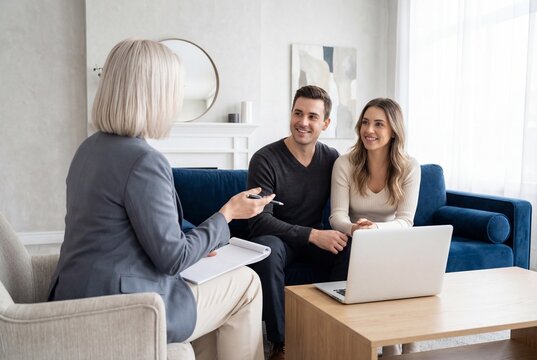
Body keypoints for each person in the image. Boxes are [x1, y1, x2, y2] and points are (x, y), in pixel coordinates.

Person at [47, 39, 273, 360]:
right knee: (247, 284)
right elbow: (174, 259)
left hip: (78, 296)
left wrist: (202, 243)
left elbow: (119, 233)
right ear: (154, 94)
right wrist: (229, 213)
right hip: (123, 308)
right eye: (173, 90)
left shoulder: (88, 149)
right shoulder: (143, 160)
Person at [247, 85, 349, 360]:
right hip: (278, 238)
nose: (303, 122)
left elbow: (350, 197)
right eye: (298, 113)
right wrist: (313, 235)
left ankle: (338, 328)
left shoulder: (331, 158)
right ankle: (281, 344)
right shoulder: (265, 159)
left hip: (312, 237)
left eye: (313, 117)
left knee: (350, 247)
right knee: (267, 250)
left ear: (325, 123)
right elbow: (259, 222)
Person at [329, 97, 421, 356]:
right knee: (377, 259)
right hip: (356, 237)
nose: (369, 130)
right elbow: (337, 217)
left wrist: (377, 229)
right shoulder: (345, 164)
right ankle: (391, 344)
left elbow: (405, 221)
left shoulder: (409, 166)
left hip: (393, 236)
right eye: (365, 123)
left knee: (403, 259)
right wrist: (356, 230)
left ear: (393, 131)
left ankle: (410, 341)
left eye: (379, 124)